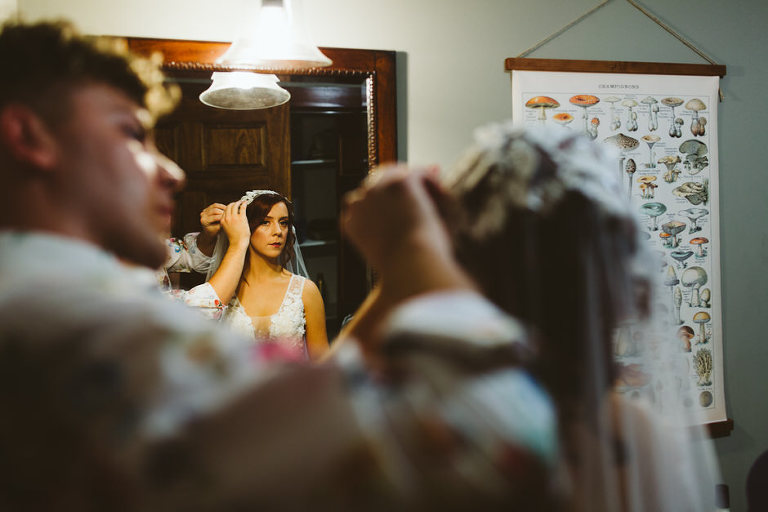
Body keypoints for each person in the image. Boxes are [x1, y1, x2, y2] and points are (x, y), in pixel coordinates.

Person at [0, 20, 558, 511]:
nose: (172, 171)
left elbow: (309, 400)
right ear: (29, 136)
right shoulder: (77, 318)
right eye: (130, 133)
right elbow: (493, 452)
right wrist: (417, 251)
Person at [344, 123, 722, 511]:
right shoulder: (636, 436)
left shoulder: (425, 426)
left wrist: (401, 261)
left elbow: (295, 427)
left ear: (462, 259)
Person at [188, 190, 329, 360]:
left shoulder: (306, 291)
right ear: (245, 227)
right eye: (265, 222)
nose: (278, 231)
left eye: (283, 222)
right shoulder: (222, 291)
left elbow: (322, 362)